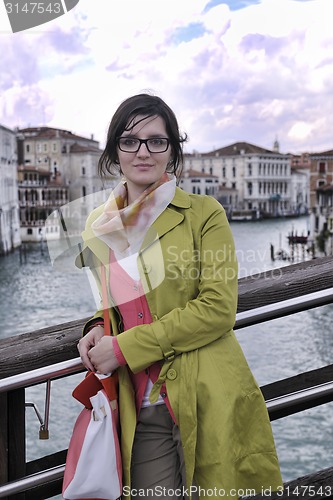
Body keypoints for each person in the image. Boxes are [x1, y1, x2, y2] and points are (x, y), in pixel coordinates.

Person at [76, 93, 283, 498]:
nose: (143, 151)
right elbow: (111, 303)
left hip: (209, 393)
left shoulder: (205, 213)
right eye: (130, 140)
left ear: (172, 149)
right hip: (143, 404)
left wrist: (123, 348)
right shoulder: (95, 227)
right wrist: (97, 326)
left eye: (157, 140)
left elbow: (218, 308)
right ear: (114, 149)